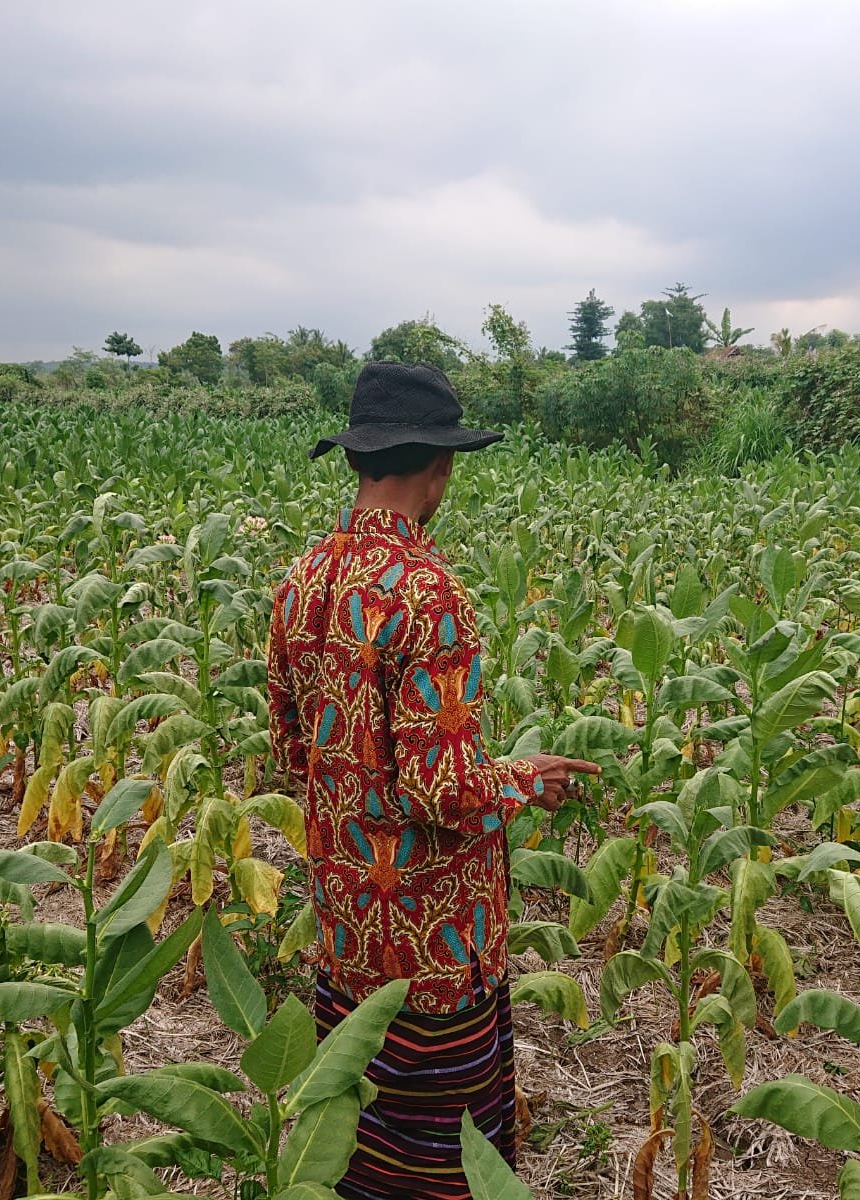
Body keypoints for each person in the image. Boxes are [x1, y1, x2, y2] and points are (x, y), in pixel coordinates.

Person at [267, 361, 599, 1199]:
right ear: (440, 468)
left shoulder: (300, 584)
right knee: (441, 1160)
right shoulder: (428, 592)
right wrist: (525, 778)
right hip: (432, 942)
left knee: (354, 1132)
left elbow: (292, 751)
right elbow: (443, 790)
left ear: (360, 460)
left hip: (346, 925)